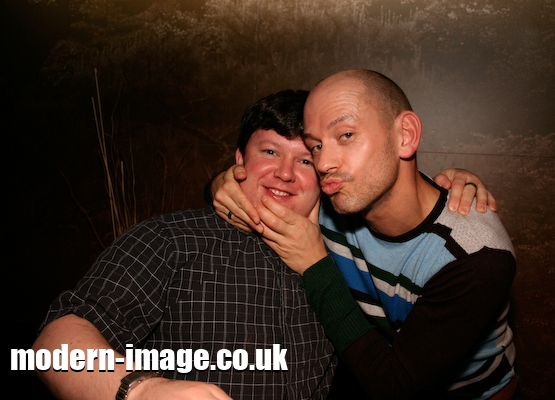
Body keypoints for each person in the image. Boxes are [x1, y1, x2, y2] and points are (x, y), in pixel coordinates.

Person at [212, 70, 517, 399]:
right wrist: (221, 185)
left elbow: (393, 386)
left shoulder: (475, 257)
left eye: (345, 135)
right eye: (316, 147)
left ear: (405, 135)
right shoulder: (333, 201)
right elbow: (266, 190)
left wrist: (314, 264)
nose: (324, 163)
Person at [31, 90, 336, 400]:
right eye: (270, 152)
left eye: (305, 161)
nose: (285, 173)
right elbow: (55, 345)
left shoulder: (342, 258)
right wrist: (143, 392)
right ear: (240, 159)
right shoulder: (170, 239)